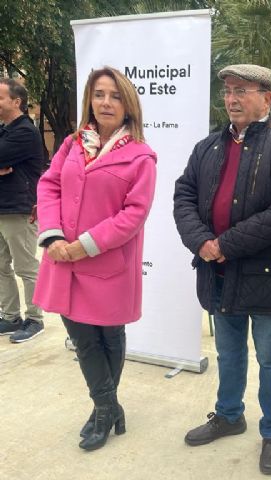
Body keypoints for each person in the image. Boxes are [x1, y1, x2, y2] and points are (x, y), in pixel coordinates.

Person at [174, 64, 271, 475]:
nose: (231, 99)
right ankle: (229, 415)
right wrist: (201, 241)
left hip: (266, 277)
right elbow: (183, 194)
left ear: (267, 98)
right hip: (218, 274)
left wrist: (224, 245)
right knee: (228, 352)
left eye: (241, 91)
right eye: (228, 91)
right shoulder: (208, 148)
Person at [33, 66, 157, 451]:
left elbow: (133, 215)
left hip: (105, 264)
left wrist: (83, 245)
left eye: (115, 96)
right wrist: (52, 235)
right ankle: (108, 409)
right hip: (63, 260)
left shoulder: (141, 157)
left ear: (128, 105)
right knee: (83, 340)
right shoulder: (72, 144)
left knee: (108, 336)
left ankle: (103, 411)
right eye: (99, 94)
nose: (106, 102)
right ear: (90, 98)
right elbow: (49, 184)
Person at [0, 78, 45, 342]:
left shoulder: (25, 132)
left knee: (26, 267)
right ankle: (10, 316)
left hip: (19, 209)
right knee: (1, 266)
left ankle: (35, 318)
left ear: (16, 102)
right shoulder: (5, 130)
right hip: (2, 207)